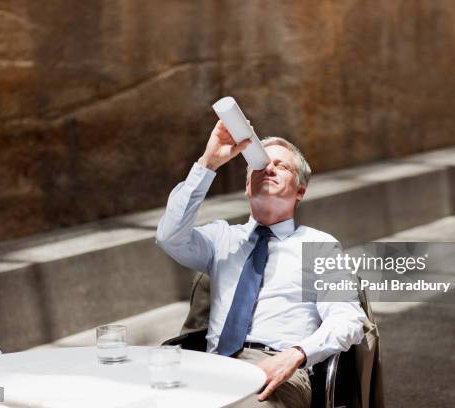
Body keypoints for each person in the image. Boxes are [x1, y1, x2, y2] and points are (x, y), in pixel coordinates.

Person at [156, 121, 366, 407]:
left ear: (300, 190)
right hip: (212, 366)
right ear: (246, 186)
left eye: (282, 166)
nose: (268, 168)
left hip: (277, 370)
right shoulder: (222, 238)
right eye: (261, 164)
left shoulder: (319, 246)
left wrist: (295, 355)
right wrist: (208, 162)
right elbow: (169, 236)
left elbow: (348, 319)